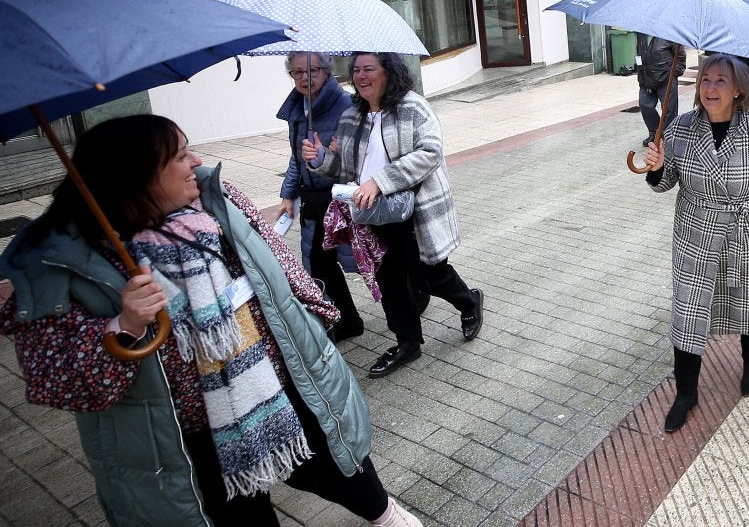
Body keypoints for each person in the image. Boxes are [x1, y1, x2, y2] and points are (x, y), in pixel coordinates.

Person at [0, 115, 422, 527]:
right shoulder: (61, 262)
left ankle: (384, 515)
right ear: (136, 176)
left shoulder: (217, 201)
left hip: (277, 383)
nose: (197, 162)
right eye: (182, 156)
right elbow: (60, 380)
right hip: (183, 434)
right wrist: (124, 325)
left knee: (335, 461)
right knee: (237, 511)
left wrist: (316, 318)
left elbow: (275, 261)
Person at [305, 52, 483, 378]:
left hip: (414, 213)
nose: (360, 76)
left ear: (388, 71)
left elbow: (430, 153)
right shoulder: (352, 117)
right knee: (389, 281)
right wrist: (319, 159)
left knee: (429, 275)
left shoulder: (413, 107)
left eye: (369, 69)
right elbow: (344, 167)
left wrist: (380, 180)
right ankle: (407, 343)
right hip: (374, 214)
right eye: (356, 70)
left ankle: (470, 302)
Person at [642, 54, 749, 433]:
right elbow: (665, 185)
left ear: (738, 88)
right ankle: (686, 392)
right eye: (705, 79)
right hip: (695, 236)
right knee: (688, 314)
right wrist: (658, 166)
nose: (710, 88)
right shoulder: (679, 129)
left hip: (744, 232)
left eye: (721, 81)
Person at [273, 51, 363, 341]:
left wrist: (332, 153)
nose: (304, 78)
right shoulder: (297, 109)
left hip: (341, 195)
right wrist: (288, 194)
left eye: (311, 71)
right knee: (318, 263)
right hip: (313, 198)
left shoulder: (346, 105)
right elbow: (295, 158)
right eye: (297, 72)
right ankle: (346, 319)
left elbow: (361, 155)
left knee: (367, 260)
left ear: (326, 71)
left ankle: (414, 292)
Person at [637, 33, 681, 146]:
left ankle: (668, 136)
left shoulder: (669, 33)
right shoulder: (641, 34)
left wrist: (675, 74)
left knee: (669, 109)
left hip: (666, 77)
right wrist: (641, 72)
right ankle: (654, 133)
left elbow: (680, 54)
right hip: (646, 77)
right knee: (645, 104)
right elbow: (640, 53)